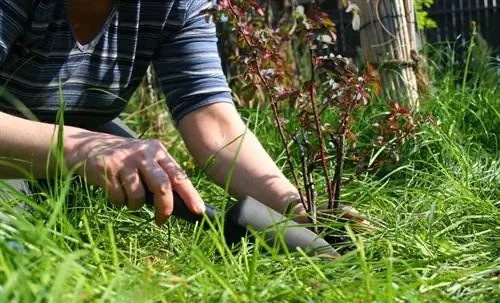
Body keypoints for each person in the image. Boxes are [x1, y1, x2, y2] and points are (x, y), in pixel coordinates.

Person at [0, 0, 310, 225]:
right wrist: (83, 150)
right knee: (17, 227)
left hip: (79, 137)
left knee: (154, 189)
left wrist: (295, 207)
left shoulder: (178, 5)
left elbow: (216, 126)